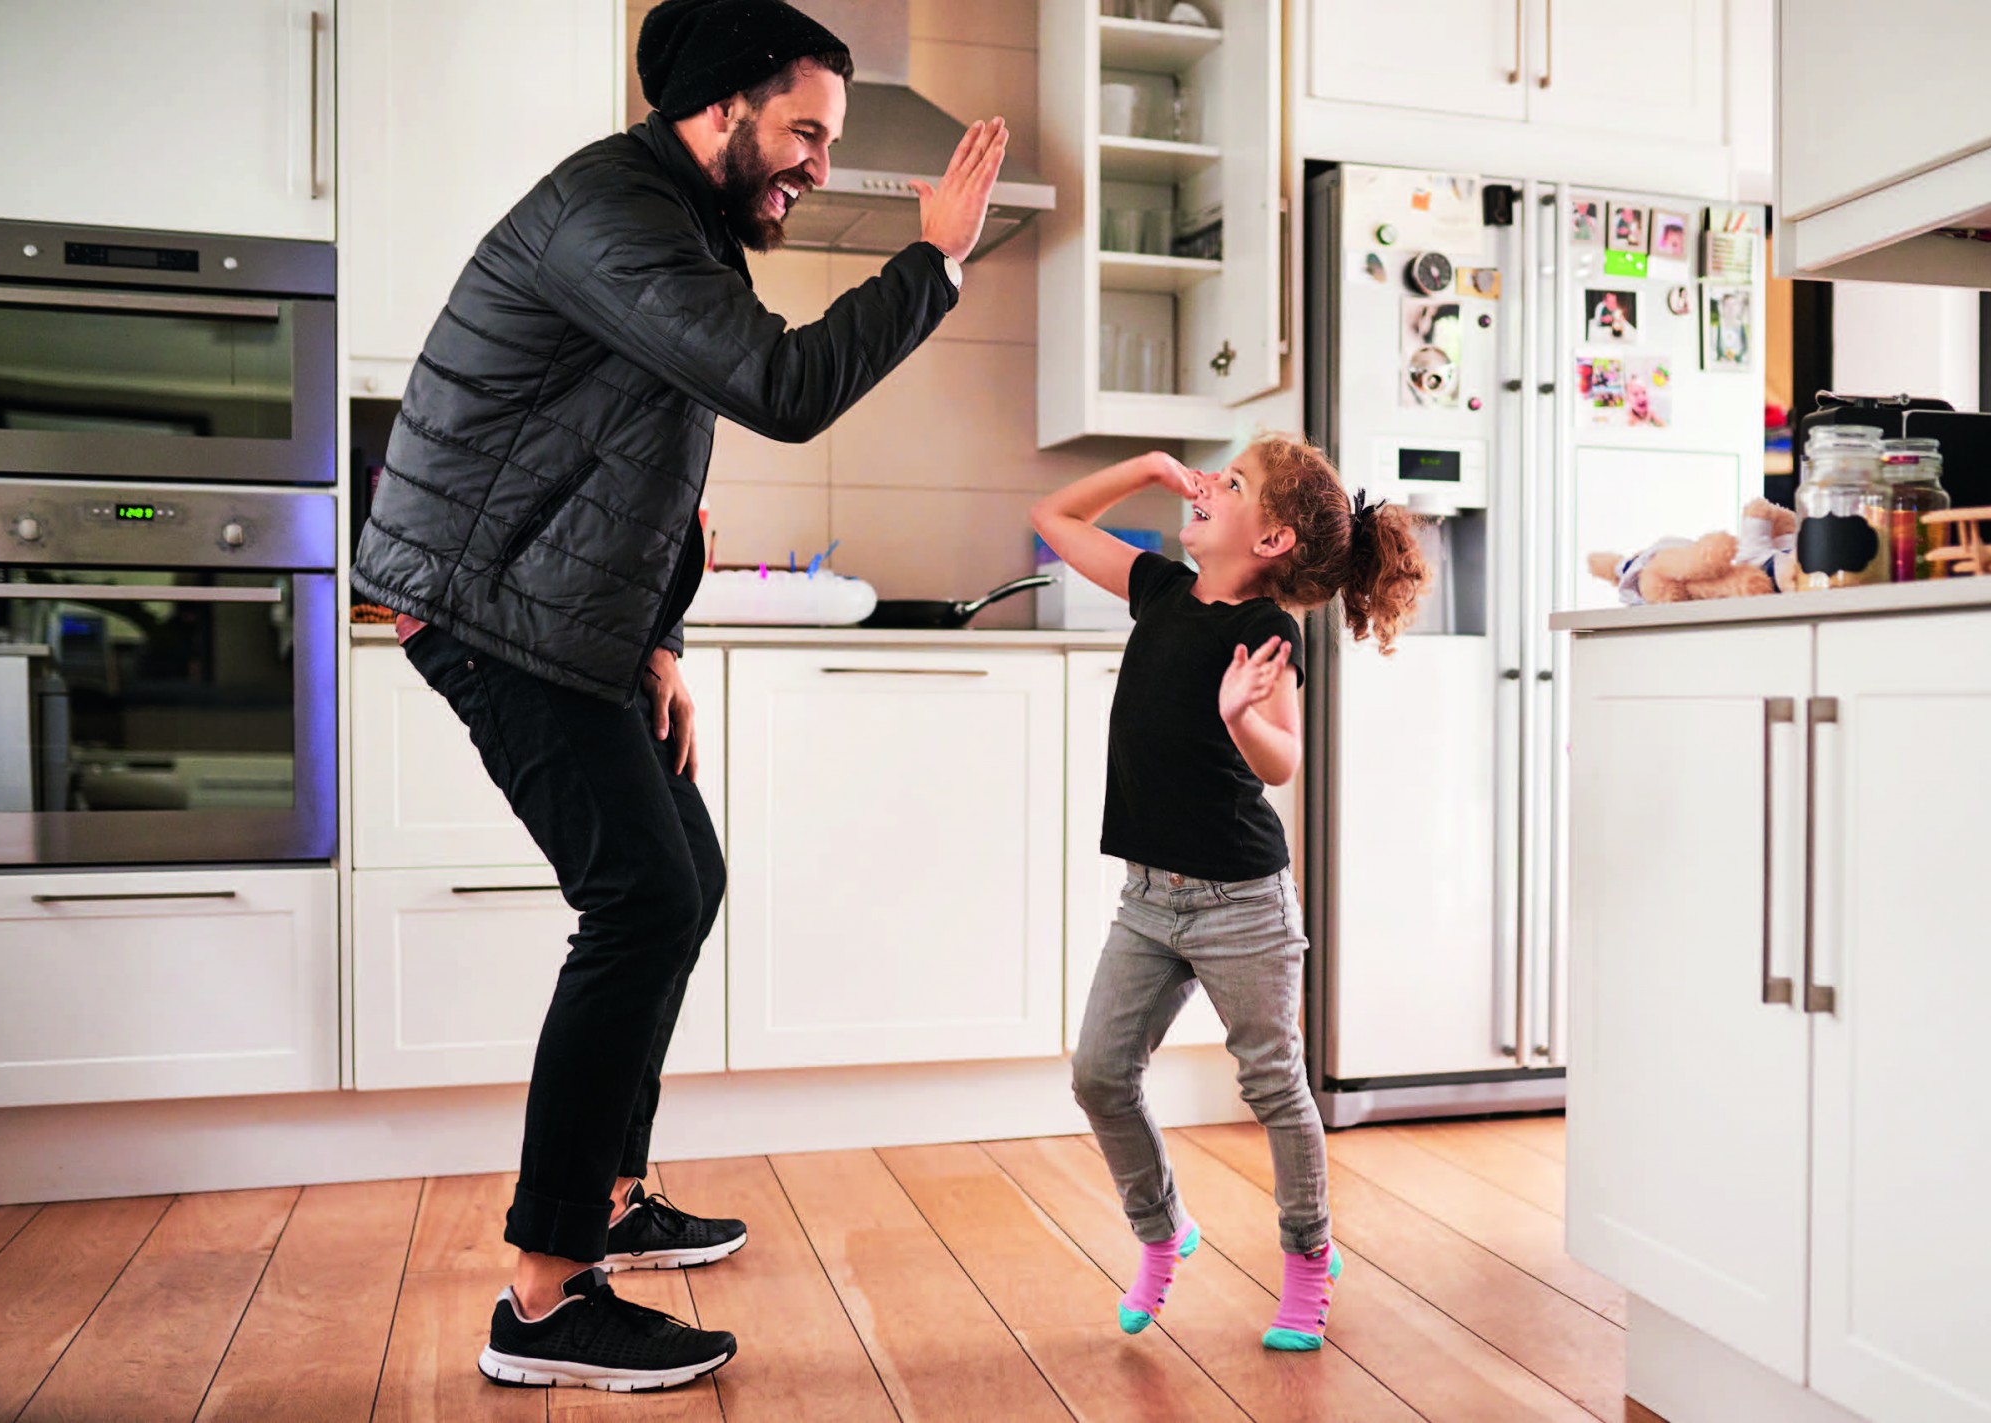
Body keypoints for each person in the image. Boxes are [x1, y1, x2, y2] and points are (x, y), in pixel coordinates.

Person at [349, 0, 1007, 1393]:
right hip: (485, 603)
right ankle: (544, 1297)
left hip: (559, 612)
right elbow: (779, 385)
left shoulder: (680, 223)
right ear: (720, 108)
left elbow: (645, 473)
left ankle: (609, 1191)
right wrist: (935, 260)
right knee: (642, 896)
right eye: (805, 131)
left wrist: (658, 642)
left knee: (682, 876)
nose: (819, 163)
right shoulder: (615, 213)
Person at [1028, 437, 1431, 1351]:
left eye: (1234, 482)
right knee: (1100, 1074)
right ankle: (1163, 1228)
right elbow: (1053, 518)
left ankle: (1308, 1260)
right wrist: (1149, 468)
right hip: (1148, 900)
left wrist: (1240, 714)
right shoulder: (1159, 589)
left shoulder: (1267, 633)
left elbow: (1282, 761)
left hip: (1241, 902)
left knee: (1273, 1085)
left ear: (1272, 539)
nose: (1211, 484)